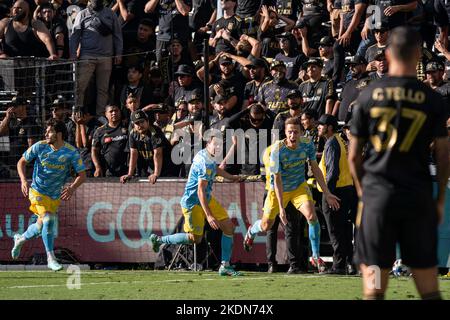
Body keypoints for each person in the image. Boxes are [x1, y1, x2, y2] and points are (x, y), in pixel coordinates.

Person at [348, 26, 449, 300]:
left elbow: (354, 155)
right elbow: (443, 154)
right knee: (429, 288)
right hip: (417, 199)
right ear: (418, 55)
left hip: (377, 201)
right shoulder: (433, 99)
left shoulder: (367, 96)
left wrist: (362, 192)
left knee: (374, 288)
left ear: (389, 54)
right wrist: (438, 201)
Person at [243, 117, 340, 273]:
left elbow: (315, 168)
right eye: (290, 132)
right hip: (278, 191)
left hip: (299, 188)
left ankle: (315, 257)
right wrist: (281, 208)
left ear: (301, 132)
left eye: (296, 132)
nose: (293, 135)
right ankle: (251, 231)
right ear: (285, 133)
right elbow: (278, 180)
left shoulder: (307, 144)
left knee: (312, 217)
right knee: (266, 225)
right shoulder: (276, 151)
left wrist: (327, 192)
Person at [149, 133, 243, 276]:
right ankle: (160, 240)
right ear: (208, 145)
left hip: (206, 199)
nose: (218, 147)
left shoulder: (207, 155)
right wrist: (209, 216)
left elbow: (216, 169)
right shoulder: (204, 162)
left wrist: (231, 177)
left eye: (220, 145)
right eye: (215, 144)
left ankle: (225, 265)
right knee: (195, 238)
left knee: (229, 227)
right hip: (193, 203)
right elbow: (200, 191)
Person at [11, 118, 86, 271]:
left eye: (49, 131)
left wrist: (71, 188)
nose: (46, 133)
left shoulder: (71, 152)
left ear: (58, 134)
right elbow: (21, 162)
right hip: (37, 191)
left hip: (54, 195)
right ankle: (50, 258)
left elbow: (82, 175)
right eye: (46, 130)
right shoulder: (40, 147)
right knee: (49, 219)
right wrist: (23, 180)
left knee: (41, 225)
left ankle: (21, 238)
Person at [317, 114, 357, 274]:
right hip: (346, 189)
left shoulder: (332, 143)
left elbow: (333, 172)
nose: (319, 127)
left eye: (322, 124)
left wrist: (328, 194)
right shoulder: (340, 140)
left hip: (335, 191)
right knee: (343, 230)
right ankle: (349, 263)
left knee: (335, 231)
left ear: (330, 127)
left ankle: (339, 265)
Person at [120, 110, 170, 183]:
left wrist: (156, 174)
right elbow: (133, 154)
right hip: (148, 166)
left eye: (142, 122)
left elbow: (158, 154)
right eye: (137, 123)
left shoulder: (155, 132)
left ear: (147, 121)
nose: (140, 125)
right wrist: (130, 174)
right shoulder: (132, 134)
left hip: (165, 166)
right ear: (133, 125)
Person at [91, 105, 129, 177]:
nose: (114, 113)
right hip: (109, 172)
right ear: (106, 114)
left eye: (116, 111)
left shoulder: (127, 127)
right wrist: (97, 167)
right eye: (111, 111)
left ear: (120, 112)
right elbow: (94, 151)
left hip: (128, 171)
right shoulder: (100, 131)